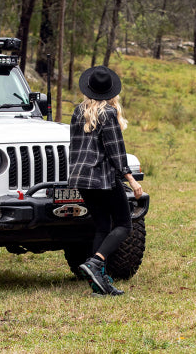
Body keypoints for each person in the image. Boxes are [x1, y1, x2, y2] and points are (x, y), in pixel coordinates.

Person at [68, 65, 144, 296]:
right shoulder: (108, 114)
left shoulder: (78, 111)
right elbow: (116, 152)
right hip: (103, 179)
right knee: (124, 224)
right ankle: (96, 262)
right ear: (111, 92)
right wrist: (132, 180)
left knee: (102, 226)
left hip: (81, 178)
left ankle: (97, 284)